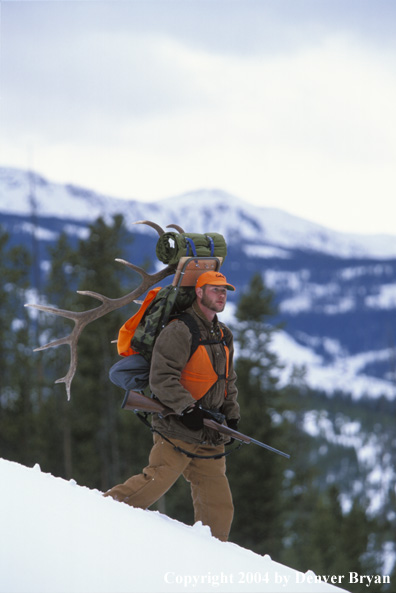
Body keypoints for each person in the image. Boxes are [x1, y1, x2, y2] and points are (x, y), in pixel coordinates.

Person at [104, 271, 240, 542]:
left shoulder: (223, 334)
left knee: (219, 506)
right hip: (177, 427)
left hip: (210, 432)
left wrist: (232, 416)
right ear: (199, 293)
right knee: (152, 484)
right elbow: (162, 378)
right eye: (215, 290)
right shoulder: (180, 329)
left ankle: (214, 557)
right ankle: (99, 512)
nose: (222, 295)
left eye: (225, 290)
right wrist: (188, 409)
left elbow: (228, 379)